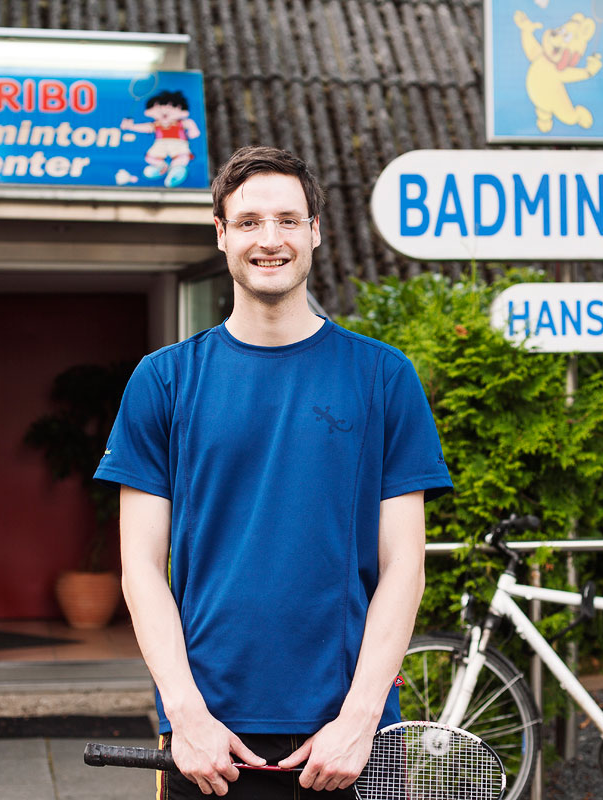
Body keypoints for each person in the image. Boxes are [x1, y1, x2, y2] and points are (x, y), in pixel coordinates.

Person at [95, 145, 452, 798]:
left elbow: (405, 563)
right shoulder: (164, 381)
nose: (270, 239)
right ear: (222, 234)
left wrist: (361, 717)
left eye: (288, 220)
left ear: (315, 232)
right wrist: (185, 712)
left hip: (351, 738)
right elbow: (141, 567)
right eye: (251, 221)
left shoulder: (382, 377)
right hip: (210, 742)